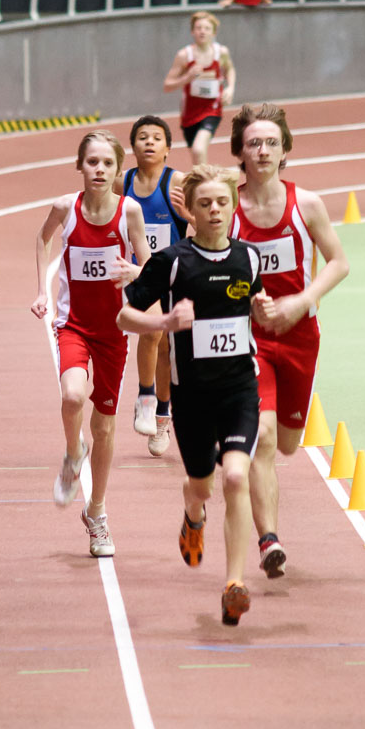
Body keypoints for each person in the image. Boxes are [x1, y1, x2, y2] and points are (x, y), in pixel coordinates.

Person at [118, 164, 275, 626]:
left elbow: (253, 307)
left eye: (221, 203)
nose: (214, 211)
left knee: (234, 479)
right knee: (202, 486)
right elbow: (125, 318)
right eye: (204, 203)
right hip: (191, 399)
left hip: (240, 391)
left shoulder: (248, 258)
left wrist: (261, 310)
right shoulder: (171, 262)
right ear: (192, 208)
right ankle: (192, 516)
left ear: (232, 205)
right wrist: (164, 323)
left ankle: (233, 583)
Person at [229, 103, 349, 577]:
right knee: (262, 436)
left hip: (300, 335)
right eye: (253, 142)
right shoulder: (227, 208)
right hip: (247, 339)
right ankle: (269, 541)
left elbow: (339, 262)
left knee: (288, 443)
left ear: (285, 151)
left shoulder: (307, 204)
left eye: (271, 143)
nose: (262, 151)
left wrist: (302, 300)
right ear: (240, 151)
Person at [31, 129, 150, 557]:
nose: (99, 169)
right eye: (91, 162)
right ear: (79, 166)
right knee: (71, 396)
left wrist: (134, 273)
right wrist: (43, 291)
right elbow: (42, 239)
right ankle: (71, 452)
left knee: (104, 426)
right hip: (73, 325)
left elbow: (149, 264)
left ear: (119, 170)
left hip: (114, 329)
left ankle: (96, 512)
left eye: (107, 163)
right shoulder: (65, 208)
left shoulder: (129, 211)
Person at [116, 115, 188, 456]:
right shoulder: (122, 183)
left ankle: (162, 416)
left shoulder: (177, 183)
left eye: (156, 138)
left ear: (168, 148)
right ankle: (147, 399)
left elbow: (203, 213)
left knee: (167, 352)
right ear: (132, 147)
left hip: (175, 274)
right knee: (152, 333)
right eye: (142, 137)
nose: (149, 142)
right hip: (139, 274)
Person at [163, 10, 236, 165]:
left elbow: (230, 69)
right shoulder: (184, 55)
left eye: (207, 28)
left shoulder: (221, 52)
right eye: (198, 28)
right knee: (197, 160)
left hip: (212, 109)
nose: (202, 31)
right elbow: (167, 86)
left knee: (198, 150)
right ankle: (202, 185)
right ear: (192, 31)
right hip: (189, 113)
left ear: (214, 32)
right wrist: (187, 77)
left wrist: (230, 88)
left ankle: (206, 186)